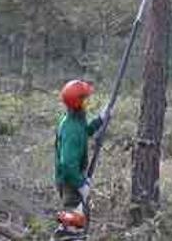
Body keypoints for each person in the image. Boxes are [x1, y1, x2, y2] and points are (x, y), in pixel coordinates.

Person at [53, 79, 110, 239]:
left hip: (74, 177)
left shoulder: (76, 119)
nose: (87, 102)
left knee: (79, 220)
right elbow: (67, 164)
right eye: (84, 99)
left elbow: (84, 132)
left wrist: (100, 119)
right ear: (77, 103)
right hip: (70, 181)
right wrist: (81, 184)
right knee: (72, 224)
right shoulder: (70, 128)